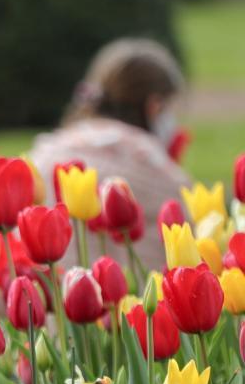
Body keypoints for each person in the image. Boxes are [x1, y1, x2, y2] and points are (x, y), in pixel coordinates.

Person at [29, 38, 189, 269]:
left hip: (48, 299)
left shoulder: (43, 155)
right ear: (154, 107)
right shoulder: (155, 167)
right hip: (139, 299)